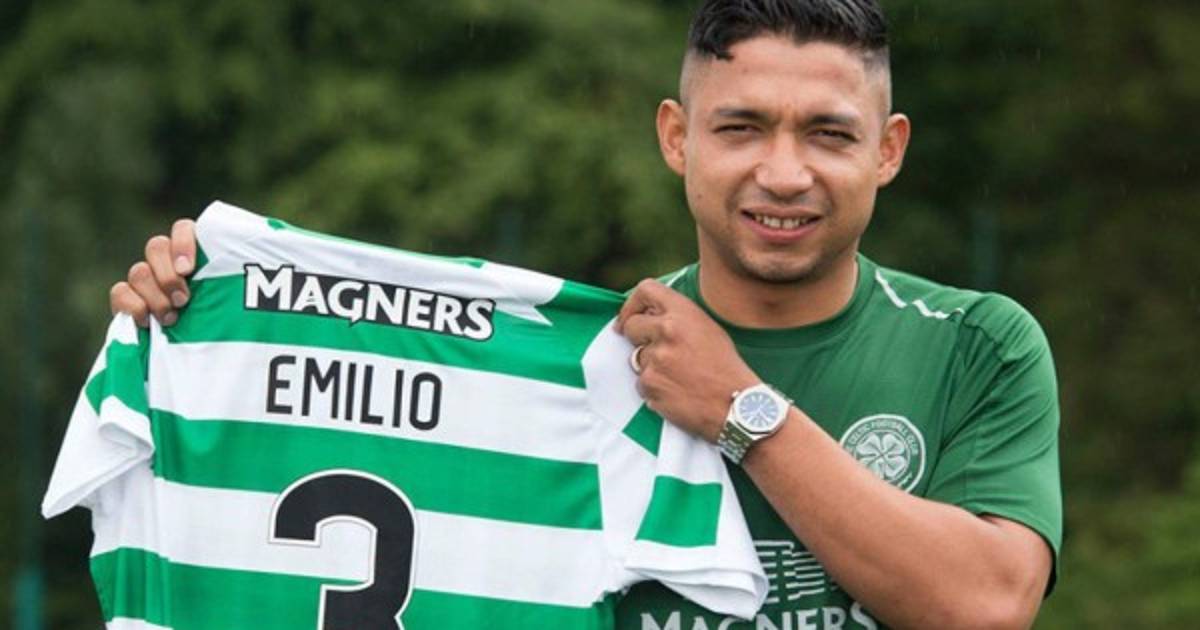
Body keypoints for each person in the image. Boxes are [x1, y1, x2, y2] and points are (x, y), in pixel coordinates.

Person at [109, 1, 1061, 628]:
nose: (783, 173)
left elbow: (986, 605)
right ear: (677, 138)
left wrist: (743, 411)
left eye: (828, 134)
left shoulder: (978, 344)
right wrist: (203, 324)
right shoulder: (574, 362)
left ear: (888, 150)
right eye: (740, 127)